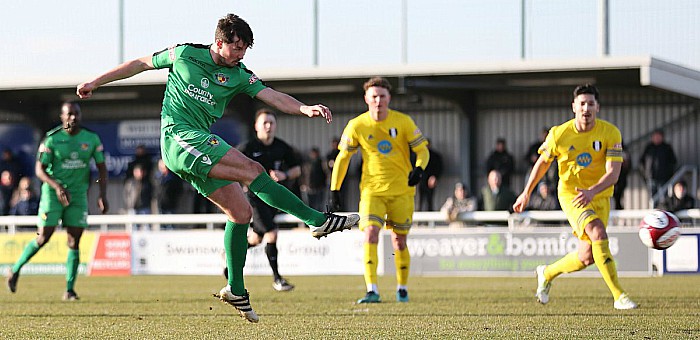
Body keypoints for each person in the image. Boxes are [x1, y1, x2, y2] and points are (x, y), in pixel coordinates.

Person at [76, 13, 359, 323]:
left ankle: (236, 289)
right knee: (254, 170)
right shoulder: (184, 54)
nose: (241, 55)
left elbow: (271, 95)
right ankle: (316, 220)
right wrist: (95, 81)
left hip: (199, 145)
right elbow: (140, 63)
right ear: (220, 42)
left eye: (246, 50)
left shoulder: (239, 74)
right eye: (237, 48)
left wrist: (304, 107)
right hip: (179, 138)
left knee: (241, 213)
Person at [512, 84, 638, 310]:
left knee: (586, 256)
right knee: (597, 230)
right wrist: (526, 193)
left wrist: (592, 192)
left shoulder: (610, 133)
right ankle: (619, 295)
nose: (586, 108)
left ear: (597, 107)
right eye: (582, 104)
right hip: (571, 195)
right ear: (574, 107)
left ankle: (547, 273)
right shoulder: (559, 134)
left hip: (598, 196)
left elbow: (613, 174)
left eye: (591, 103)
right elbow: (542, 164)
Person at [329, 76, 429, 304]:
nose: (378, 100)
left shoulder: (403, 121)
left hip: (402, 191)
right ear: (366, 98)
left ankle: (402, 287)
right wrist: (335, 190)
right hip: (372, 192)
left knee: (399, 241)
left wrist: (419, 169)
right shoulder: (357, 125)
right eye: (373, 96)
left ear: (389, 98)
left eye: (382, 96)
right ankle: (371, 289)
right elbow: (343, 158)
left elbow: (422, 150)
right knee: (370, 234)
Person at [5, 101, 109, 300]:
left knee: (74, 240)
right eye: (69, 114)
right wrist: (57, 186)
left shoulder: (91, 138)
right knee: (44, 236)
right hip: (53, 194)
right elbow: (39, 170)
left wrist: (102, 194)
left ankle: (69, 290)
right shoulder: (52, 140)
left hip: (77, 195)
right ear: (62, 117)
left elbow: (102, 168)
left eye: (76, 114)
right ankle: (15, 270)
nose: (73, 118)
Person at [238, 108, 302, 292]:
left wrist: (284, 174)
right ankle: (277, 279)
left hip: (273, 197)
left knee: (256, 239)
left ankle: (230, 258)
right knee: (272, 233)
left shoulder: (282, 147)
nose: (268, 126)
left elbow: (297, 169)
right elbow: (231, 167)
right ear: (256, 126)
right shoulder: (247, 147)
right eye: (264, 123)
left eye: (271, 123)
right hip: (254, 198)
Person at [639, 129, 677, 197]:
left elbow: (673, 162)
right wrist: (645, 174)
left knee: (665, 197)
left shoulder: (667, 148)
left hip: (664, 178)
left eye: (658, 136)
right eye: (655, 136)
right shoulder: (649, 148)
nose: (656, 138)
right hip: (651, 178)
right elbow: (641, 162)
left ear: (662, 137)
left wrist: (669, 174)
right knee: (652, 198)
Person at [154, 158, 183, 229]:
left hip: (171, 205)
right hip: (160, 205)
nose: (162, 167)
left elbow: (179, 190)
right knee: (162, 226)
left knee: (171, 226)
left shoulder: (173, 177)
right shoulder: (157, 177)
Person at [123, 163, 153, 230]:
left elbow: (151, 195)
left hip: (144, 208)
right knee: (133, 229)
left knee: (146, 228)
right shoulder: (130, 182)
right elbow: (126, 195)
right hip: (133, 208)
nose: (139, 173)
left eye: (140, 171)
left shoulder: (147, 183)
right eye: (137, 171)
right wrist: (129, 204)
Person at [416, 140, 443, 211]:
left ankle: (430, 220)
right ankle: (419, 220)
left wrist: (435, 177)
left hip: (430, 181)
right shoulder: (419, 155)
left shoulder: (435, 156)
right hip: (421, 180)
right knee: (420, 201)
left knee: (429, 200)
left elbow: (439, 168)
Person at [303, 146, 327, 212]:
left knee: (319, 206)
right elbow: (304, 174)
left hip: (319, 187)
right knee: (310, 206)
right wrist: (304, 184)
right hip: (309, 188)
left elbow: (326, 173)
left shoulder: (321, 162)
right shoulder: (307, 163)